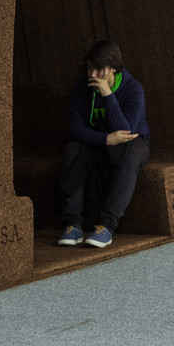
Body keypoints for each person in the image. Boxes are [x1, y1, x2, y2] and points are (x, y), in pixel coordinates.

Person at [57, 39, 150, 248]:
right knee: (73, 150)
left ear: (113, 68)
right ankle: (73, 225)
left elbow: (126, 130)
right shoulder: (82, 87)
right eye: (90, 68)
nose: (93, 75)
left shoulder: (133, 89)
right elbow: (76, 128)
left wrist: (107, 94)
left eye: (99, 70)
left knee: (131, 157)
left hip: (134, 140)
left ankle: (106, 226)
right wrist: (105, 139)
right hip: (100, 139)